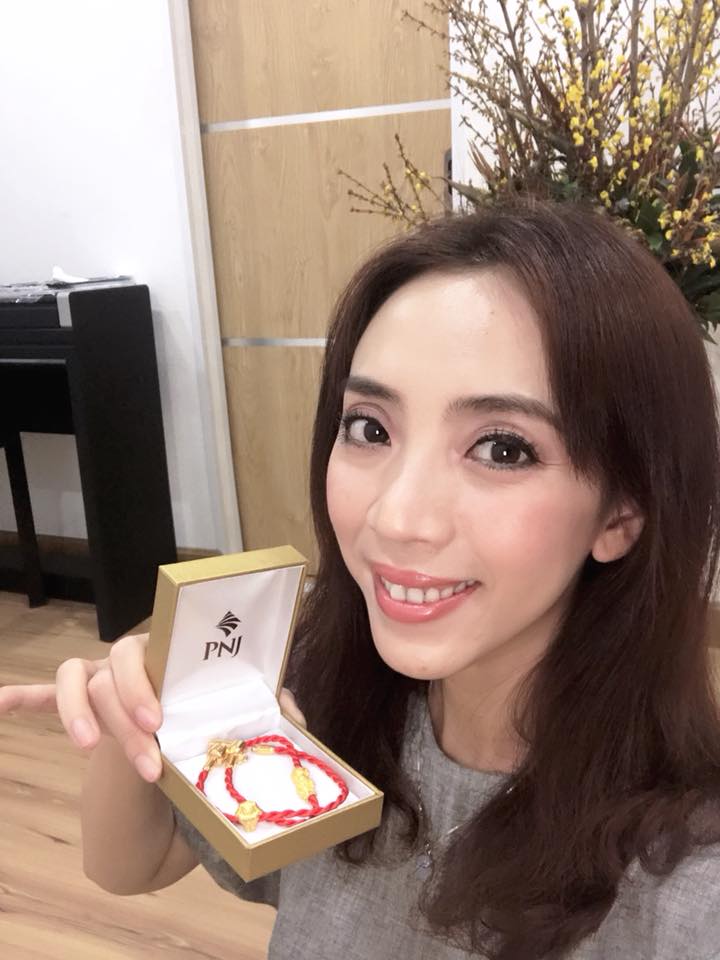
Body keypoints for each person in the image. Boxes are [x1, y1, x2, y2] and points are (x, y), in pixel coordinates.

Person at [3, 197, 720, 960]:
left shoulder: (690, 886)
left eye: (503, 449)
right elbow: (131, 866)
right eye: (370, 428)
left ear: (622, 513)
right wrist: (138, 722)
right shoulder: (324, 703)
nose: (397, 516)